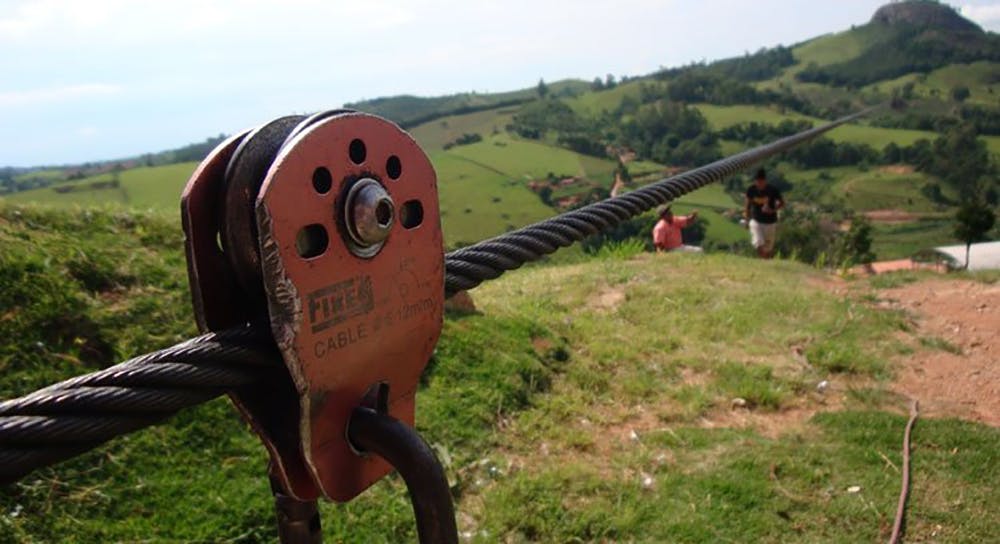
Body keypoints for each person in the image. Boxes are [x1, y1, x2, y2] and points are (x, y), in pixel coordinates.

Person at [743, 167, 784, 259]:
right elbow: (747, 206)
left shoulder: (772, 190)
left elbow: (782, 203)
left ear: (765, 180)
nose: (759, 183)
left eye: (761, 181)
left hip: (770, 222)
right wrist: (746, 220)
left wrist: (772, 210)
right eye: (758, 181)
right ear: (755, 181)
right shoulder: (751, 190)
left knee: (768, 248)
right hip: (756, 220)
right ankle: (764, 261)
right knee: (758, 243)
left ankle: (768, 262)